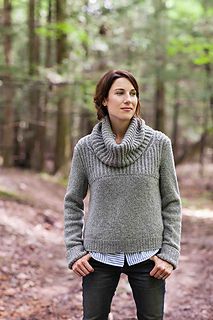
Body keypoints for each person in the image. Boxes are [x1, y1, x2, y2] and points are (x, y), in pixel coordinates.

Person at [64, 69, 182, 320]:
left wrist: (169, 254)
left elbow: (171, 202)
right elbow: (73, 202)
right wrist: (75, 250)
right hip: (98, 256)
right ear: (104, 100)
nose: (129, 99)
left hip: (149, 255)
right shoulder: (85, 148)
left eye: (133, 93)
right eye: (120, 93)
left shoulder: (159, 144)